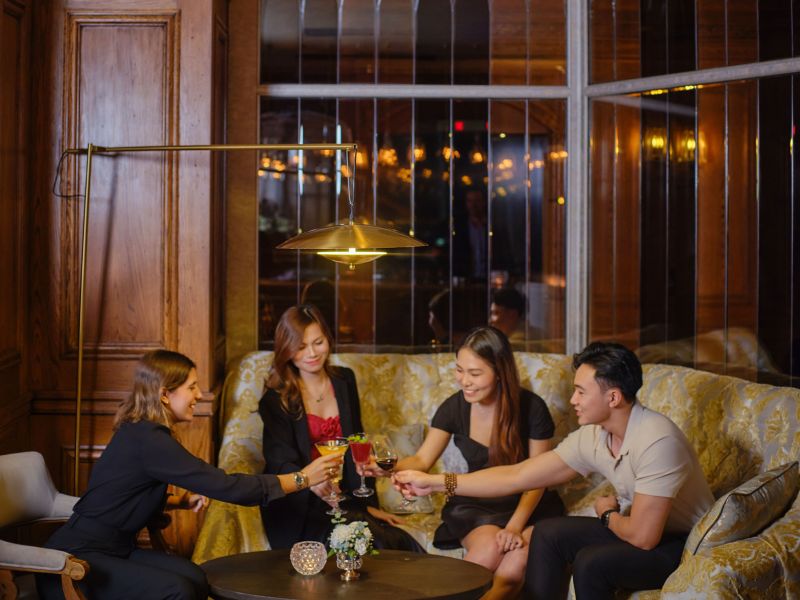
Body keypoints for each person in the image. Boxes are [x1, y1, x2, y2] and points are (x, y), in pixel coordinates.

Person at [395, 341, 714, 599]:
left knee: (591, 563)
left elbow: (644, 538)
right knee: (548, 533)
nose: (573, 399)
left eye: (581, 392)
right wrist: (435, 483)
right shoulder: (593, 436)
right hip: (638, 528)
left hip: (682, 544)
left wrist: (606, 514)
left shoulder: (657, 440)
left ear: (613, 397)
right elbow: (518, 475)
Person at [36, 350, 341, 600]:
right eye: (192, 387)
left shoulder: (144, 432)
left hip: (116, 549)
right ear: (164, 394)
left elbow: (124, 492)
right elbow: (228, 487)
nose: (199, 395)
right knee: (178, 591)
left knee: (196, 578)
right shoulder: (150, 440)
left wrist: (178, 501)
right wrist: (303, 478)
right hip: (76, 560)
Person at [366, 326, 564, 599]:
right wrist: (389, 467)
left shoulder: (532, 408)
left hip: (528, 505)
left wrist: (514, 526)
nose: (464, 381)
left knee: (515, 564)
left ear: (500, 371)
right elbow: (422, 459)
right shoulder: (454, 407)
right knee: (488, 551)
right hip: (476, 504)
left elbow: (538, 476)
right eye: (459, 370)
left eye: (475, 373)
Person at [258, 304, 423, 552]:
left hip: (343, 498)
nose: (312, 353)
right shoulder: (275, 399)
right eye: (301, 347)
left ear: (328, 338)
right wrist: (310, 482)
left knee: (389, 539)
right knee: (368, 539)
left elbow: (357, 444)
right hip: (300, 504)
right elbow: (279, 462)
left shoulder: (344, 380)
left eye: (318, 342)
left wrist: (367, 505)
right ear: (287, 350)